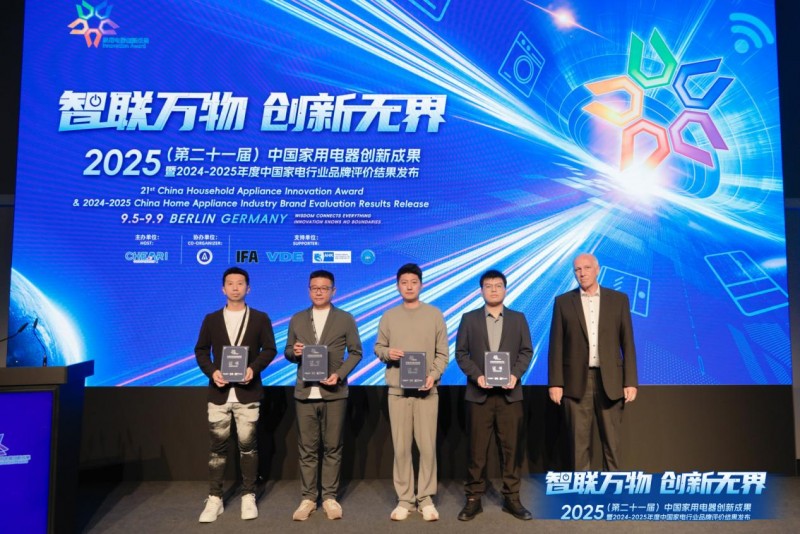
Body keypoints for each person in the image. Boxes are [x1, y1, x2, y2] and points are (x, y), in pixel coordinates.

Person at [194, 267, 277, 522]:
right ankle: (215, 498)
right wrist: (212, 372)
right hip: (219, 393)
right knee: (217, 448)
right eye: (230, 283)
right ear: (223, 288)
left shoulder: (260, 318)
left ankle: (248, 495)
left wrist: (253, 368)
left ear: (248, 288)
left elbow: (270, 349)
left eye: (240, 283)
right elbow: (201, 350)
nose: (235, 287)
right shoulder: (211, 319)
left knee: (248, 447)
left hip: (247, 393)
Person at [455, 269, 533, 521]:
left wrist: (515, 375)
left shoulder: (518, 318)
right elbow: (461, 354)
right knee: (476, 451)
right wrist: (477, 376)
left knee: (511, 450)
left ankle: (512, 498)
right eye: (488, 286)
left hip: (510, 396)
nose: (493, 290)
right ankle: (473, 499)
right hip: (479, 396)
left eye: (498, 285)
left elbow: (526, 351)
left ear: (505, 289)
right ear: (481, 291)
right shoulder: (469, 319)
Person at [284, 270, 363, 521]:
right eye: (314, 288)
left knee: (332, 447)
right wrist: (295, 352)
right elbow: (287, 351)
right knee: (307, 448)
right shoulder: (297, 318)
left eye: (324, 288)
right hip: (305, 391)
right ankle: (308, 498)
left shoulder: (345, 318)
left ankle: (329, 497)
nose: (319, 292)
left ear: (333, 291)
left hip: (334, 392)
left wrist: (339, 374)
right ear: (309, 290)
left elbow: (356, 352)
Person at [547, 253, 638, 471]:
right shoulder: (563, 302)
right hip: (575, 382)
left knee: (612, 444)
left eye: (587, 268)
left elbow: (627, 342)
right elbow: (556, 345)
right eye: (577, 269)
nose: (582, 273)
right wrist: (555, 383)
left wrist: (630, 381)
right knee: (578, 446)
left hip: (611, 381)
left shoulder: (618, 300)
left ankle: (612, 488)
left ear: (597, 270)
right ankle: (583, 490)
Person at [374, 263, 448, 521]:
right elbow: (378, 347)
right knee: (402, 448)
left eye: (413, 282)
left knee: (427, 448)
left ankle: (425, 498)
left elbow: (442, 353)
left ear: (421, 285)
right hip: (398, 391)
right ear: (397, 286)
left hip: (427, 391)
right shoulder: (389, 316)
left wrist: (433, 375)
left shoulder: (434, 314)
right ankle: (405, 499)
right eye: (404, 282)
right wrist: (388, 353)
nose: (409, 286)